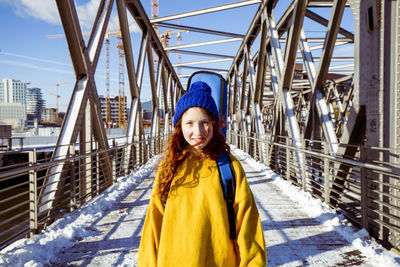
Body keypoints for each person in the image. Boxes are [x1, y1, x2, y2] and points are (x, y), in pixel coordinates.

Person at [137, 81, 266, 266]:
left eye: (204, 123)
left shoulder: (229, 166)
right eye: (189, 123)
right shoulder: (169, 167)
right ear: (180, 127)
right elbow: (153, 225)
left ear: (214, 124)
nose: (197, 131)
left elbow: (248, 224)